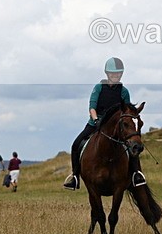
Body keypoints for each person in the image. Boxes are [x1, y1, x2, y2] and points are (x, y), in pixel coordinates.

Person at [63, 57, 146, 190]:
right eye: (113, 73)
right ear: (107, 74)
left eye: (118, 73)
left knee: (132, 147)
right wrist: (96, 120)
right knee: (76, 144)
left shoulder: (124, 91)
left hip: (115, 126)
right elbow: (92, 108)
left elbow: (127, 111)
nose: (115, 76)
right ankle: (75, 176)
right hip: (95, 123)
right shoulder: (99, 88)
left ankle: (136, 174)